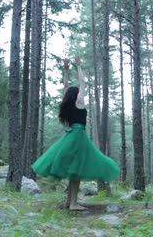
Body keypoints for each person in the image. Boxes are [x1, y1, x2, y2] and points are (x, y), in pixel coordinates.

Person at [31, 56, 120, 211]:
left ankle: (69, 202)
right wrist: (78, 66)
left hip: (70, 136)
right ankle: (73, 204)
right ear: (77, 95)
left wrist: (66, 71)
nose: (81, 93)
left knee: (74, 169)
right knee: (77, 170)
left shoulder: (67, 103)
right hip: (78, 137)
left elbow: (66, 87)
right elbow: (83, 83)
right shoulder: (79, 102)